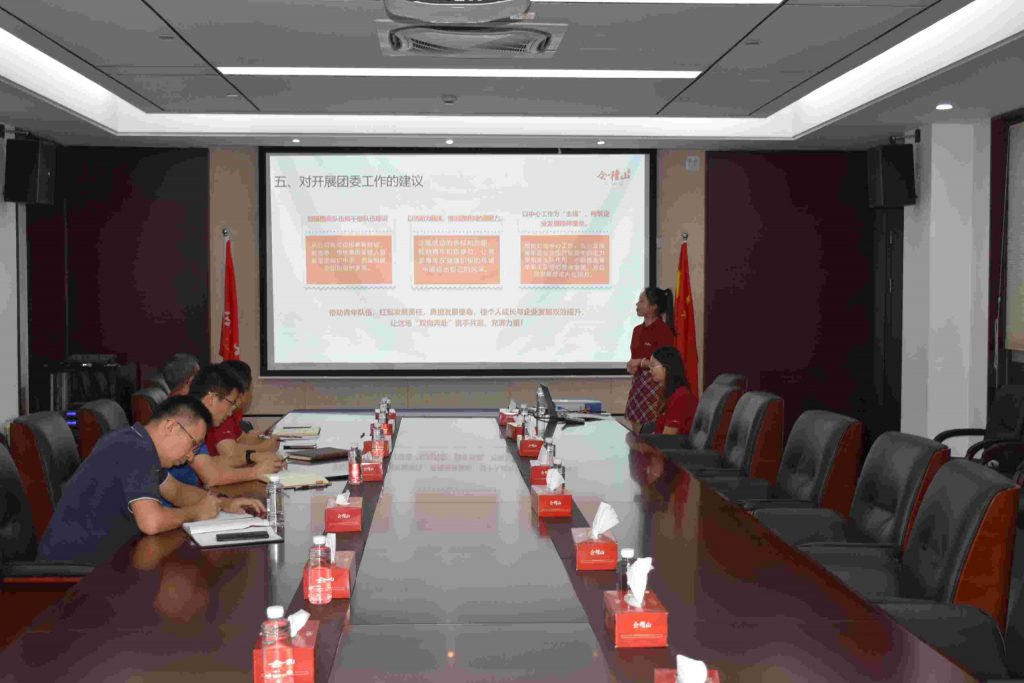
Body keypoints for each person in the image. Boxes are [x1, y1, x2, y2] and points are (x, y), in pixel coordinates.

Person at [38, 396, 266, 566]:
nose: (190, 456)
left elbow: (176, 491)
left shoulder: (138, 443)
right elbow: (152, 522)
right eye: (193, 444)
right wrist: (195, 512)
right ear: (171, 427)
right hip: (76, 573)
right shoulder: (135, 448)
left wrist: (224, 503)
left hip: (107, 560)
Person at [168, 365, 283, 490]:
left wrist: (250, 457)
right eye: (230, 403)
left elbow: (210, 462)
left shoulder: (196, 418)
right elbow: (211, 477)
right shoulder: (188, 421)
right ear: (211, 399)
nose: (230, 412)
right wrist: (256, 472)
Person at [625, 287, 676, 432]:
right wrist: (632, 365)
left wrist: (640, 362)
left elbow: (664, 364)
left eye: (642, 301)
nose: (637, 304)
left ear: (653, 307)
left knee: (650, 431)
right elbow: (635, 357)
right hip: (638, 383)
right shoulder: (637, 330)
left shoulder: (664, 331)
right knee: (636, 430)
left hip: (655, 385)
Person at [208, 360, 281, 460]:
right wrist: (264, 448)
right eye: (250, 388)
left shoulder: (230, 414)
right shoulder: (221, 414)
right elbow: (229, 452)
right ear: (242, 393)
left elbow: (241, 439)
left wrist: (264, 436)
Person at [649, 346, 699, 436]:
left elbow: (667, 438)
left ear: (667, 366)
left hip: (672, 444)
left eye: (653, 365)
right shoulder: (669, 393)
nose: (650, 371)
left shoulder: (682, 398)